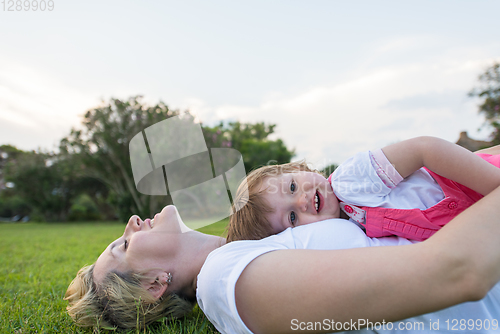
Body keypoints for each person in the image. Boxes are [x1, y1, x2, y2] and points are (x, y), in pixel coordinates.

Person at [65, 148, 500, 334]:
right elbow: (457, 271)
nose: (132, 221)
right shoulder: (227, 281)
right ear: (155, 284)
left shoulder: (255, 244)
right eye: (122, 246)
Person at [226, 136, 500, 242]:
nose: (302, 202)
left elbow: (424, 149)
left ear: (303, 169)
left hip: (481, 185)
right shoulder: (350, 229)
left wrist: (494, 186)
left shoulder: (348, 183)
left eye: (293, 186)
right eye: (292, 218)